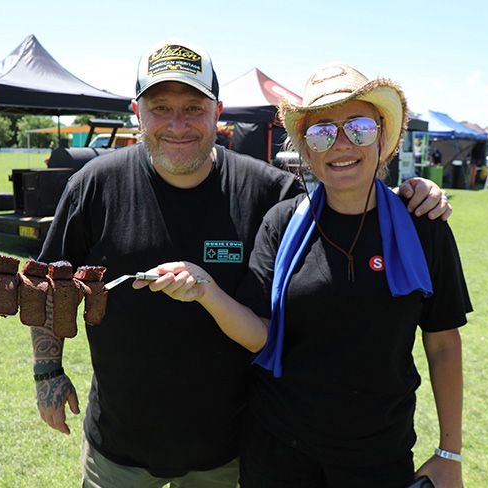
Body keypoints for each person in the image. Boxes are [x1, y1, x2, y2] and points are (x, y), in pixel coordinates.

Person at [32, 40, 452, 488]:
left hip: (227, 450)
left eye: (194, 108)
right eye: (161, 108)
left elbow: (342, 202)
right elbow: (49, 286)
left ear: (218, 112)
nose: (178, 124)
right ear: (138, 113)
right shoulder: (94, 186)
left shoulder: (269, 192)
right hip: (118, 446)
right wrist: (47, 374)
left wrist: (409, 194)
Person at [140, 64, 471, 488]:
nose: (341, 143)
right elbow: (261, 334)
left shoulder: (422, 225)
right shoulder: (282, 222)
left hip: (377, 456)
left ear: (382, 136)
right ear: (307, 150)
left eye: (359, 127)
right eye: (322, 132)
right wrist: (206, 290)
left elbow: (443, 343)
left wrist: (449, 453)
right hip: (278, 453)